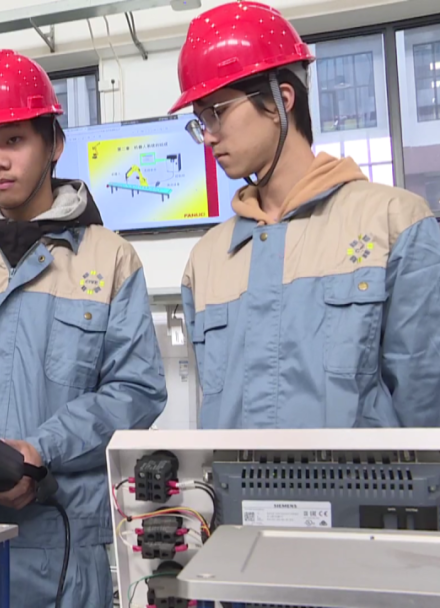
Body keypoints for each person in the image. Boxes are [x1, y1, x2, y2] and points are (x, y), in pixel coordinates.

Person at [0, 49, 168, 608]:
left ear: (54, 144)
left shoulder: (109, 259)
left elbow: (136, 389)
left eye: (14, 140)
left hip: (57, 547)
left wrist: (39, 451)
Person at [171, 1, 440, 431]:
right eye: (200, 120)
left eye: (217, 112)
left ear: (281, 100)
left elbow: (424, 408)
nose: (208, 136)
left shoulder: (394, 224)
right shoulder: (206, 261)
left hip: (364, 479)